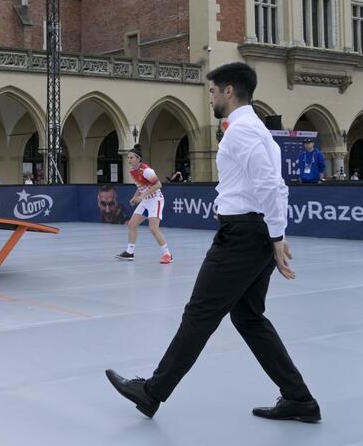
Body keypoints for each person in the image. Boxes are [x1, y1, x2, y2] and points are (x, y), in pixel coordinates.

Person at [105, 62, 320, 423]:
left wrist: (277, 237)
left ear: (229, 91)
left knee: (200, 313)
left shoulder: (242, 132)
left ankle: (152, 392)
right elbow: (275, 186)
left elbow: (269, 185)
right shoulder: (255, 129)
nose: (210, 97)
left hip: (242, 237)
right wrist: (276, 235)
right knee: (248, 317)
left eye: (212, 91)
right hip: (255, 233)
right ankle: (299, 398)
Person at [115, 145, 172, 264]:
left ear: (138, 158)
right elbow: (140, 186)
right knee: (132, 224)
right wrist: (135, 197)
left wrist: (143, 196)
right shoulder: (132, 172)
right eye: (128, 158)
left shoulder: (147, 171)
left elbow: (158, 185)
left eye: (131, 157)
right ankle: (129, 252)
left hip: (155, 200)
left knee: (153, 228)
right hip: (145, 201)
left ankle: (167, 254)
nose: (129, 160)